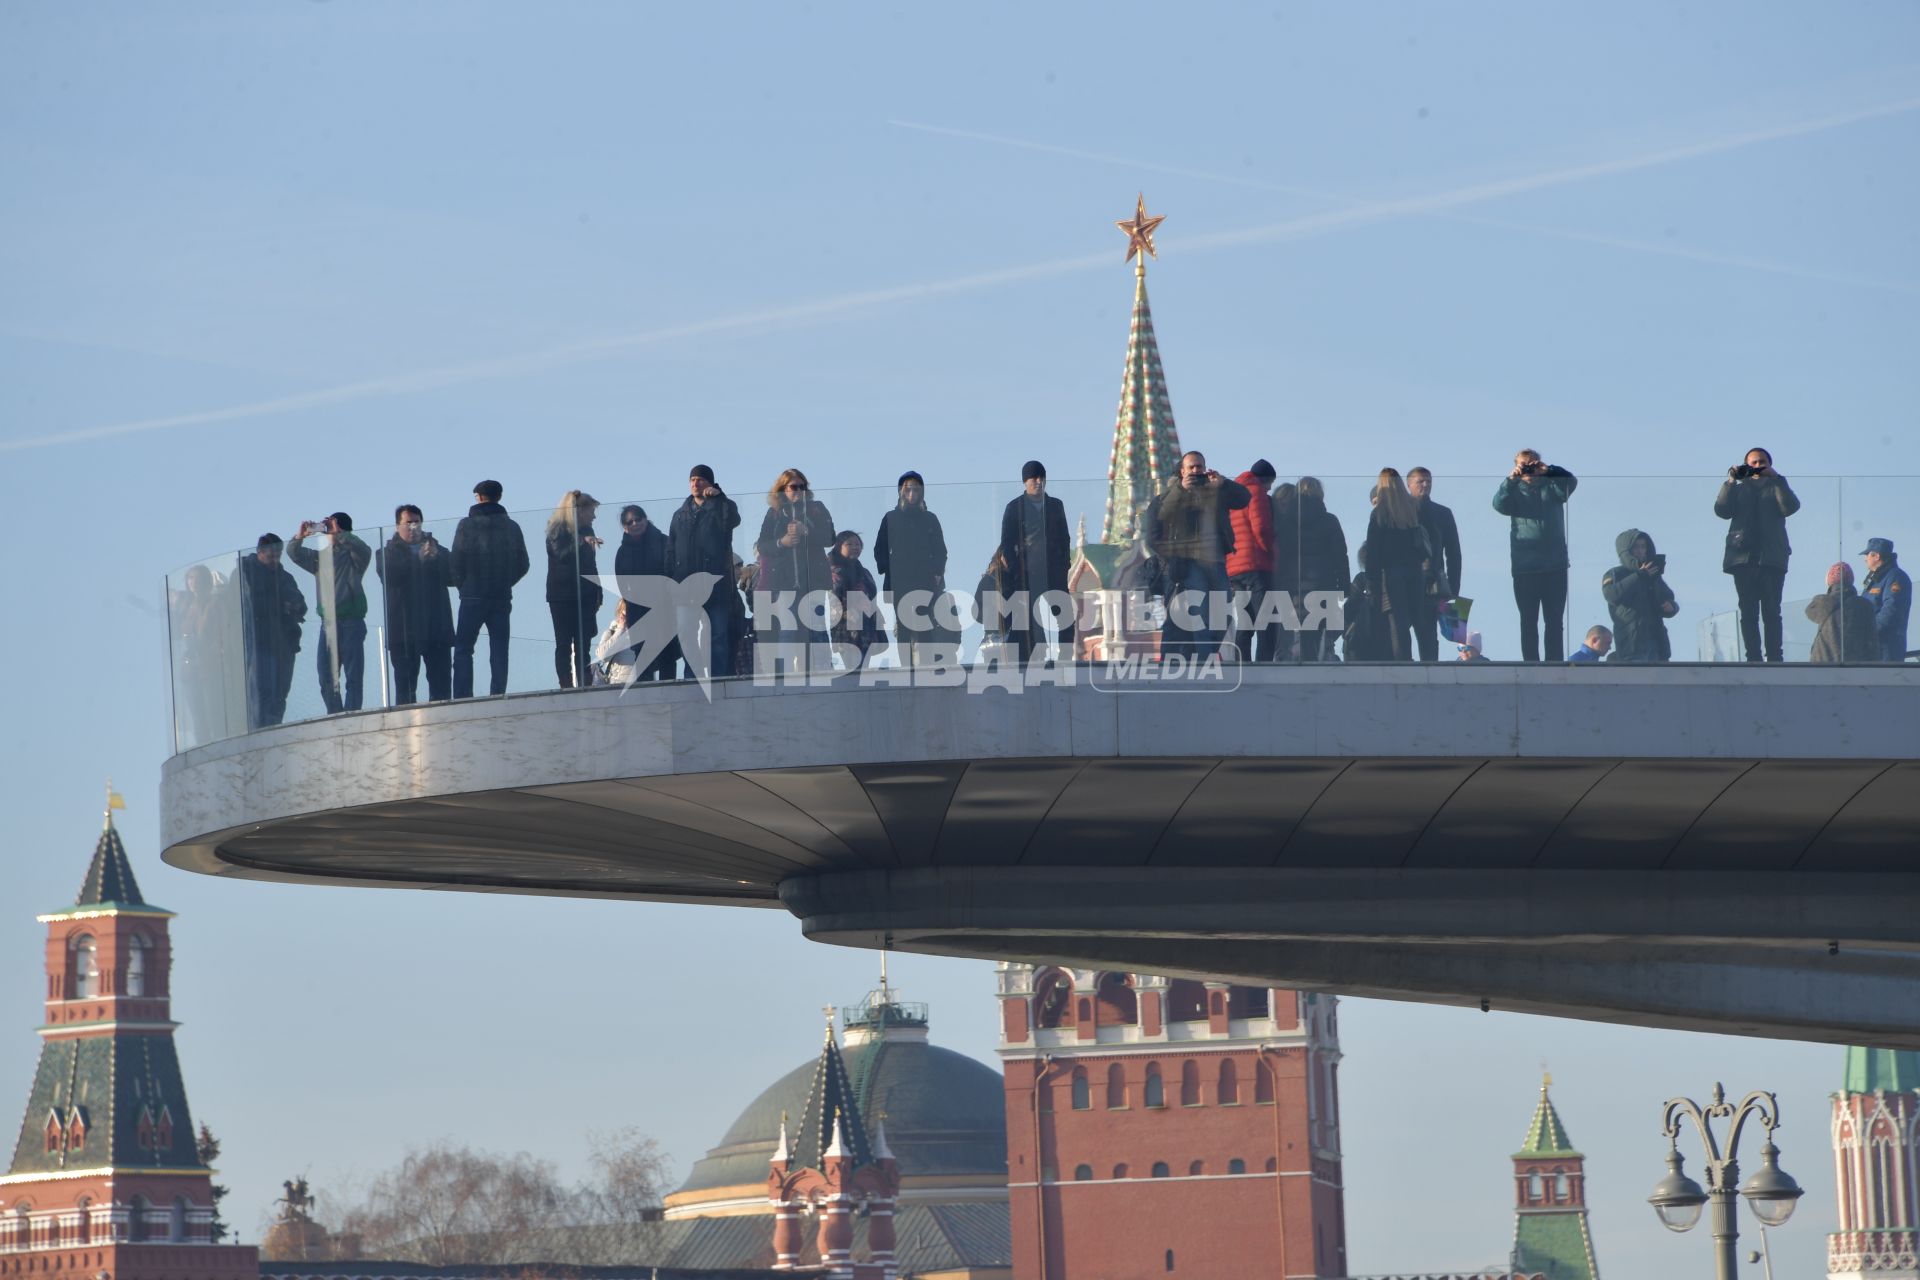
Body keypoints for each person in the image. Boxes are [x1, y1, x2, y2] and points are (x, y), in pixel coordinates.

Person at [1146, 451, 1251, 659]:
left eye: (1199, 467)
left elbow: (1244, 498)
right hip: (1189, 562)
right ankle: (1205, 659)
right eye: (1191, 467)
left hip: (1216, 561)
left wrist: (1223, 484)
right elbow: (1159, 518)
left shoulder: (1214, 491)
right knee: (1199, 612)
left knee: (1224, 614)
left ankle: (1208, 653)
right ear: (1182, 471)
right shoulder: (1170, 496)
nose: (1196, 471)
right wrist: (1181, 489)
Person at [1714, 446, 1799, 663]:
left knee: (1772, 611)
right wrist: (1731, 481)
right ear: (1746, 466)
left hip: (1772, 558)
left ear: (1770, 465)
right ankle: (1753, 656)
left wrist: (1778, 479)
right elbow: (1722, 510)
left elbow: (1789, 507)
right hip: (1743, 558)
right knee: (1748, 611)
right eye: (1753, 463)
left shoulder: (1776, 486)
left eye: (1762, 462)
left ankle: (1774, 657)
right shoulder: (1739, 489)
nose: (1758, 466)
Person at [1492, 448, 1577, 662]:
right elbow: (1498, 505)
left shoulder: (1553, 487)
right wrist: (1511, 480)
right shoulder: (1514, 492)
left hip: (1555, 566)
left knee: (1554, 621)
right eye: (1524, 464)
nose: (1528, 468)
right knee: (1528, 620)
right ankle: (1531, 663)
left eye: (1532, 463)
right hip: (1525, 567)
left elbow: (1571, 483)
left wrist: (1549, 470)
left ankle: (1554, 662)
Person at [450, 479, 532, 698]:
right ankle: (498, 694)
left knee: (464, 648)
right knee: (499, 650)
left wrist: (463, 585)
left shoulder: (466, 525)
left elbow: (456, 561)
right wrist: (505, 582)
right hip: (500, 596)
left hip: (472, 595)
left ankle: (462, 695)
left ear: (478, 496)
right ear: (500, 496)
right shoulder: (511, 526)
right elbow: (523, 563)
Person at [288, 512, 373, 714]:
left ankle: (352, 715)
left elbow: (364, 550)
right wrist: (300, 536)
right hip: (328, 624)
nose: (328, 533)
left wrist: (341, 535)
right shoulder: (320, 558)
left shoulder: (355, 557)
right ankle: (335, 715)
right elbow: (294, 554)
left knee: (353, 677)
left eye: (331, 528)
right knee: (326, 676)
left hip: (352, 622)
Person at [754, 468, 837, 661]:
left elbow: (830, 538)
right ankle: (787, 678)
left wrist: (806, 531)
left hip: (814, 581)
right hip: (784, 583)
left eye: (802, 486)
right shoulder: (774, 513)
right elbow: (763, 545)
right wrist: (781, 542)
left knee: (816, 632)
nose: (798, 490)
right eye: (793, 486)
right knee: (788, 630)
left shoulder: (817, 508)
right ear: (783, 488)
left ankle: (821, 672)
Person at [668, 465, 742, 679]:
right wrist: (671, 578)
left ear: (710, 483)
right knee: (687, 634)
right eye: (692, 479)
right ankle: (692, 677)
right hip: (685, 585)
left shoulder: (721, 505)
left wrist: (718, 498)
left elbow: (732, 520)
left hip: (715, 584)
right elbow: (671, 548)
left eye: (700, 479)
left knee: (717, 634)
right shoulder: (679, 514)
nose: (695, 483)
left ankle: (718, 677)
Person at [998, 461, 1074, 663]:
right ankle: (1036, 659)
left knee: (1065, 615)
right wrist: (1018, 572)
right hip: (1027, 574)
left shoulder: (1055, 505)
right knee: (1032, 621)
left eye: (1042, 478)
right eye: (1034, 478)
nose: (1039, 482)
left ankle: (1065, 657)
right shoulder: (1015, 508)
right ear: (1025, 482)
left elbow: (1065, 538)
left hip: (1053, 572)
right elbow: (1007, 543)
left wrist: (1064, 565)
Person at [376, 505, 454, 704]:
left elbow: (454, 577)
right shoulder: (386, 553)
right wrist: (418, 560)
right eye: (408, 522)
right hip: (403, 630)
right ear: (397, 526)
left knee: (441, 688)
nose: (413, 527)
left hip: (436, 628)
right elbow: (391, 577)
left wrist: (436, 559)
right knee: (405, 689)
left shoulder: (439, 549)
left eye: (416, 522)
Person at [1359, 469, 1434, 663]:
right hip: (1416, 572)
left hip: (1391, 575)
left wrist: (1372, 581)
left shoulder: (1379, 514)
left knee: (1398, 624)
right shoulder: (1412, 508)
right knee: (1419, 620)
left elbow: (1373, 552)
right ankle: (1429, 661)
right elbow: (1428, 539)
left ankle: (1404, 663)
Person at [874, 471, 949, 663]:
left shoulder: (930, 518)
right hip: (900, 580)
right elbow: (879, 548)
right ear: (900, 491)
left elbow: (940, 550)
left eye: (916, 489)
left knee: (925, 624)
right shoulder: (890, 517)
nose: (912, 493)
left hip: (925, 579)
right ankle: (906, 667)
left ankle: (925, 665)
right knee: (904, 626)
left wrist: (938, 573)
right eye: (908, 489)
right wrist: (887, 568)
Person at [236, 534, 306, 729]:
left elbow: (301, 604)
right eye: (271, 556)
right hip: (258, 642)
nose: (275, 561)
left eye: (278, 556)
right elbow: (244, 605)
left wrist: (293, 606)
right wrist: (276, 605)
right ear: (260, 552)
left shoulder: (284, 577)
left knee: (280, 693)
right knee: (261, 691)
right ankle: (259, 730)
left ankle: (274, 728)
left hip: (283, 642)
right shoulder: (245, 574)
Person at [544, 490, 604, 689]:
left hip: (585, 594)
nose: (594, 516)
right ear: (578, 511)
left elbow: (591, 564)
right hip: (561, 595)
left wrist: (598, 590)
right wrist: (581, 542)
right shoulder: (557, 527)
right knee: (563, 643)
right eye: (591, 511)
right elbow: (560, 553)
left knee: (583, 644)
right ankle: (566, 685)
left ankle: (585, 683)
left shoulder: (588, 530)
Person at [612, 504, 676, 681]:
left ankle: (670, 691)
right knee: (643, 658)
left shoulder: (664, 542)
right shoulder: (623, 551)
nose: (634, 524)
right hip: (638, 610)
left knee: (667, 656)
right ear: (625, 527)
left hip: (664, 608)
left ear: (645, 519)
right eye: (629, 522)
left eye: (637, 519)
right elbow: (622, 583)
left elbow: (673, 572)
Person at [1293, 476, 1350, 662]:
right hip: (1324, 584)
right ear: (1321, 494)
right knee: (1322, 636)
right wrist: (1344, 584)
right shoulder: (1330, 521)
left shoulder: (1289, 521)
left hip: (1296, 586)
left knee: (1298, 635)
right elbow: (1341, 555)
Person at [1407, 467, 1462, 662]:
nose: (1426, 485)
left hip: (1433, 584)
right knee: (1400, 637)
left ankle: (1429, 676)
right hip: (1405, 582)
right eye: (1420, 481)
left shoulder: (1443, 513)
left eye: (1428, 481)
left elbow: (1454, 554)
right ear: (1409, 485)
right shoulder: (1400, 512)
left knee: (1428, 637)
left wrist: (1453, 591)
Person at [1600, 529, 1678, 663]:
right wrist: (1640, 575)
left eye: (1643, 547)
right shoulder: (1615, 573)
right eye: (1636, 547)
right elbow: (1611, 594)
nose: (1641, 551)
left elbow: (1668, 597)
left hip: (1657, 645)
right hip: (1632, 645)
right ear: (1626, 550)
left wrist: (1671, 606)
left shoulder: (1653, 575)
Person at [1226, 459, 1277, 660]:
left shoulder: (1232, 495)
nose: (1269, 489)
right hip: (1257, 565)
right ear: (1265, 480)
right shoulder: (1256, 492)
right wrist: (1272, 553)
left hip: (1234, 568)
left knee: (1245, 622)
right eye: (1270, 484)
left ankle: (1242, 666)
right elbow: (1262, 528)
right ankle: (1263, 666)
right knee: (1266, 621)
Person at [827, 531, 885, 670]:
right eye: (849, 544)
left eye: (858, 544)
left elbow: (871, 595)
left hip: (866, 624)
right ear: (839, 546)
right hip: (845, 624)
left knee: (863, 666)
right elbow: (836, 594)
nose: (855, 547)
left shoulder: (863, 571)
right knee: (853, 669)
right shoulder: (832, 569)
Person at [1808, 562, 1878, 663]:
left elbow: (1810, 611)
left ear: (1829, 581)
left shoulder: (1823, 603)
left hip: (1822, 667)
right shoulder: (1865, 606)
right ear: (1851, 581)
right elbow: (1872, 644)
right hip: (1857, 668)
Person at [1859, 537, 1910, 663]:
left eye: (1867, 555)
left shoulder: (1895, 577)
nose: (1865, 559)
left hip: (1886, 650)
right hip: (1872, 650)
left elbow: (1891, 611)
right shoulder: (1876, 580)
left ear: (1876, 556)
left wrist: (1867, 633)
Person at [1266, 482, 1300, 662]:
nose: (1284, 507)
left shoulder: (1293, 525)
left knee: (1286, 626)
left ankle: (1282, 658)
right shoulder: (1272, 523)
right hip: (1274, 578)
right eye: (1282, 503)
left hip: (1287, 580)